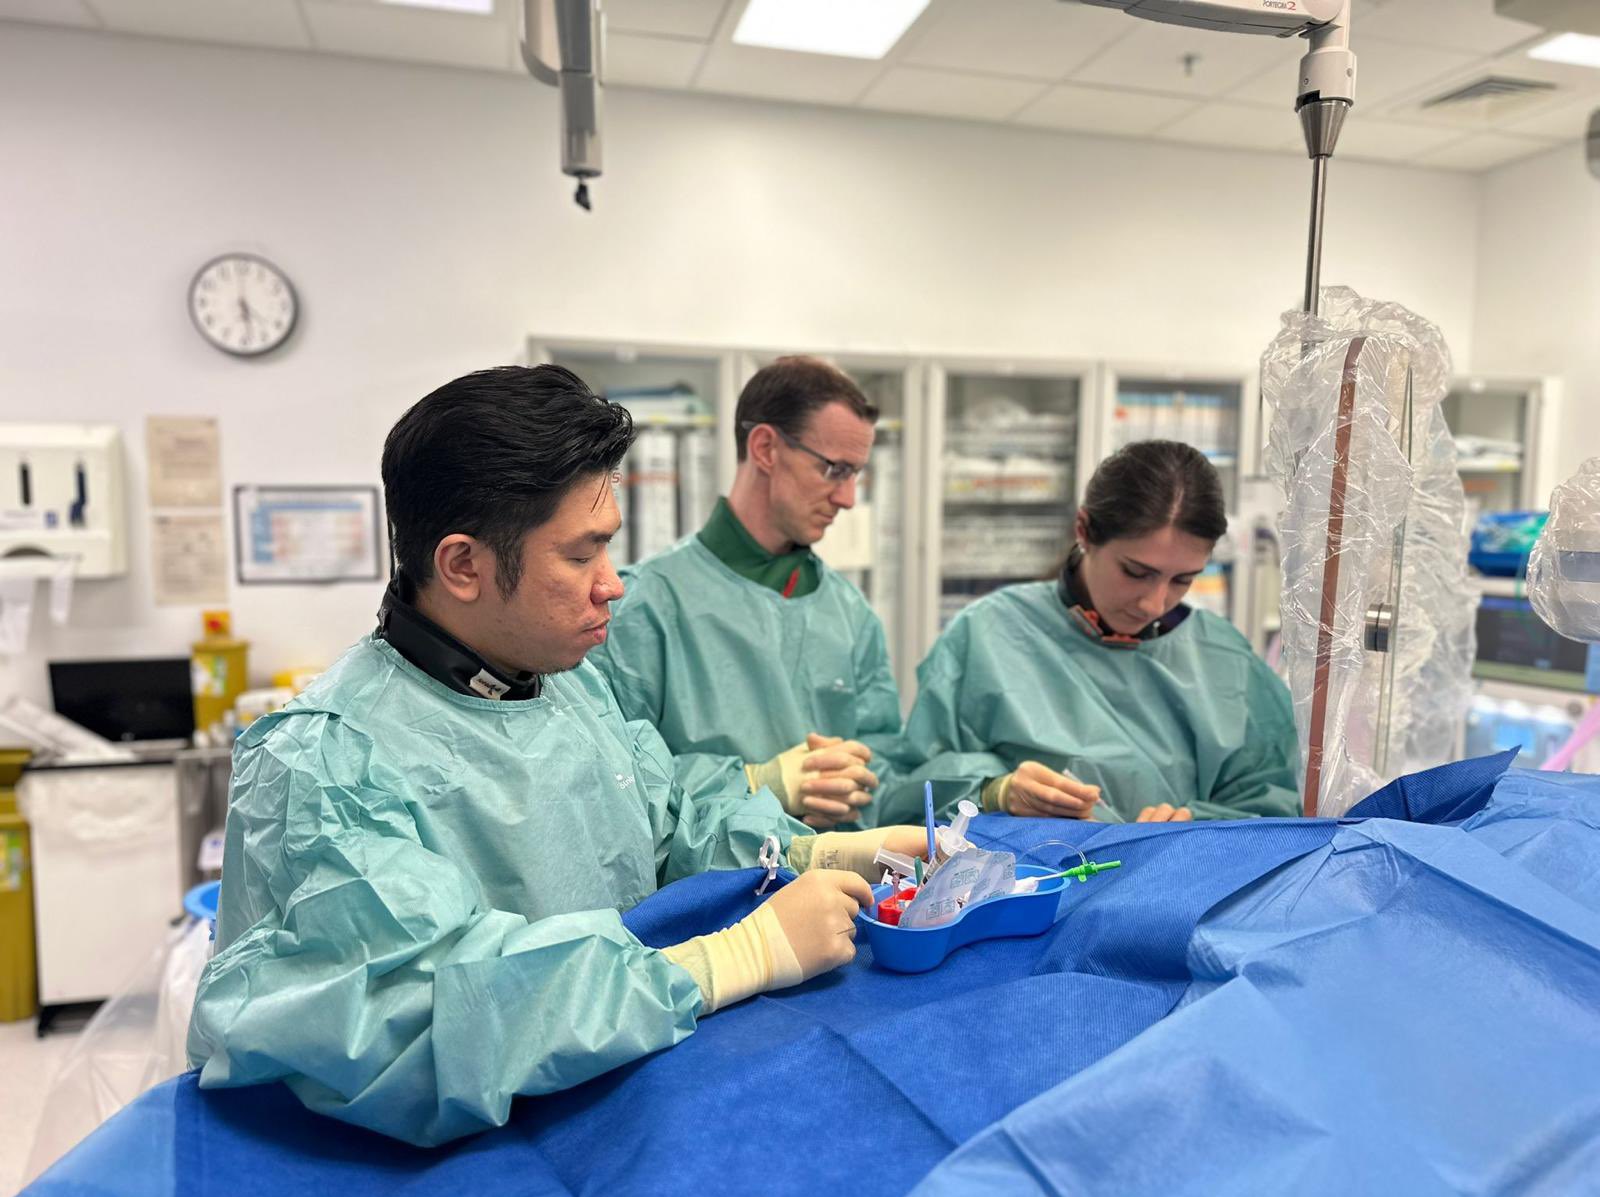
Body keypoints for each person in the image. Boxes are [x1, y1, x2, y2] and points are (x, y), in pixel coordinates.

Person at [187, 366, 927, 1147]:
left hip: (608, 1101)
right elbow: (404, 1022)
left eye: (610, 549)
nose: (613, 586)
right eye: (581, 556)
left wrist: (818, 851)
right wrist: (724, 960)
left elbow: (663, 822)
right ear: (463, 566)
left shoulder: (560, 687)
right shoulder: (323, 762)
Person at [886, 440, 1299, 826]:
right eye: (1136, 573)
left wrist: (1198, 827)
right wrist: (993, 791)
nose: (1154, 604)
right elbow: (908, 791)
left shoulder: (1222, 657)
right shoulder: (988, 635)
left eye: (1183, 580)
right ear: (1084, 530)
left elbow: (1274, 802)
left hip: (1175, 889)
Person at [589, 356, 901, 830]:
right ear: (765, 448)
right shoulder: (644, 606)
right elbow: (611, 778)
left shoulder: (850, 614)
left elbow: (885, 765)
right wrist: (759, 782)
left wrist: (854, 783)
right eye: (836, 469)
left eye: (858, 474)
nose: (849, 498)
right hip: (712, 898)